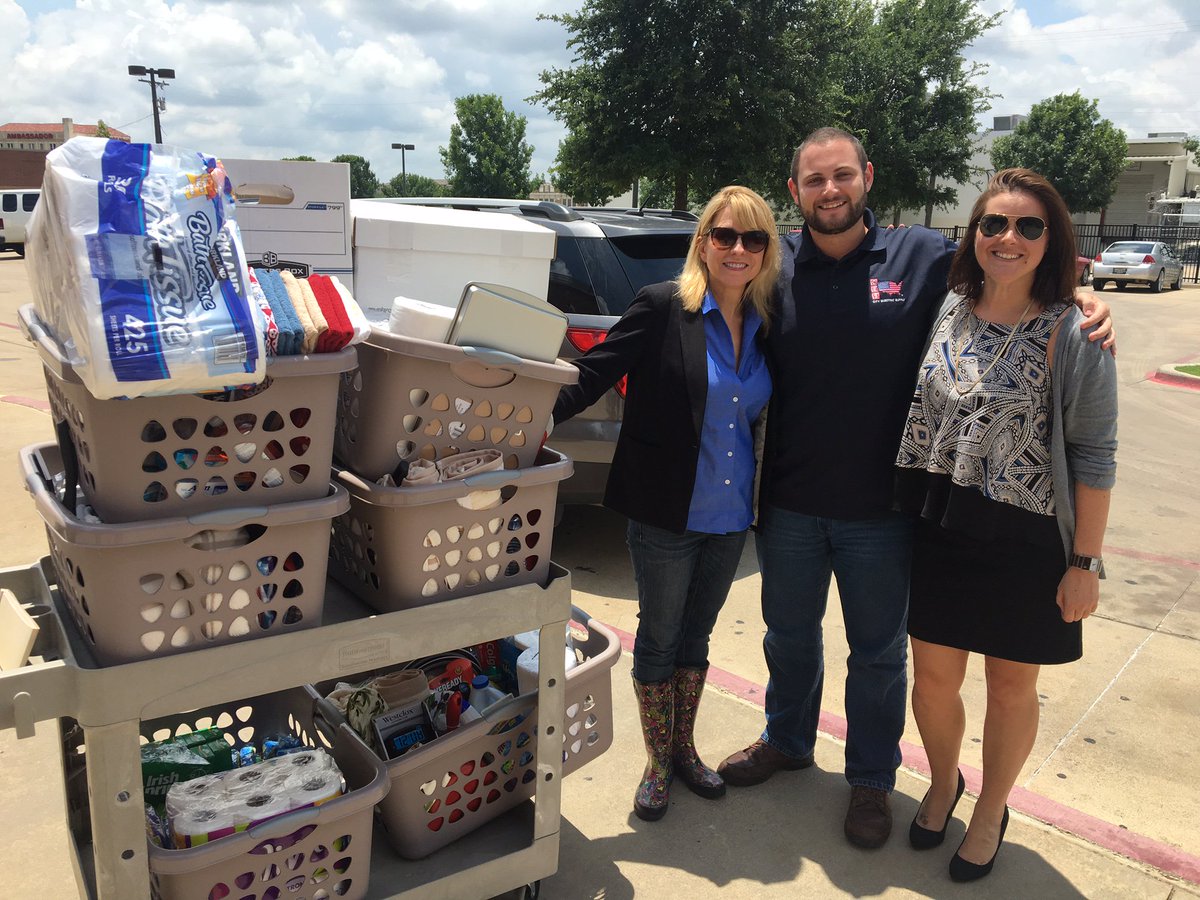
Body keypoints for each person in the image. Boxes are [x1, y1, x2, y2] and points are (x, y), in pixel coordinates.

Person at [717, 128, 1114, 850]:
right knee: (788, 636)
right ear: (794, 192)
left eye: (842, 175)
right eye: (814, 180)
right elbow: (706, 297)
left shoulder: (922, 256)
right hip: (790, 503)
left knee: (877, 653)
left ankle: (871, 778)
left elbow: (1009, 274)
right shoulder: (773, 266)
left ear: (866, 176)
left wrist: (1085, 299)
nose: (830, 190)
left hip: (888, 510)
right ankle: (786, 739)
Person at [894, 168, 1116, 881]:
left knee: (1009, 687)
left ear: (1054, 240)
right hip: (941, 523)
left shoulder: (1075, 330)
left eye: (1028, 226)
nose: (1008, 237)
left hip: (1025, 540)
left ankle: (991, 809)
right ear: (975, 233)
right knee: (930, 678)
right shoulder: (950, 304)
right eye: (993, 223)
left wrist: (1085, 564)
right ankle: (941, 780)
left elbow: (1094, 454)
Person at [553, 185, 780, 821]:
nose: (737, 249)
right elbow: (595, 373)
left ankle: (683, 748)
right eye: (725, 236)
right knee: (659, 639)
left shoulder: (768, 324)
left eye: (753, 238)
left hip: (732, 517)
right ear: (703, 241)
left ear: (766, 251)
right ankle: (658, 762)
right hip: (665, 514)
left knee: (696, 639)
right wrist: (527, 421)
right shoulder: (661, 306)